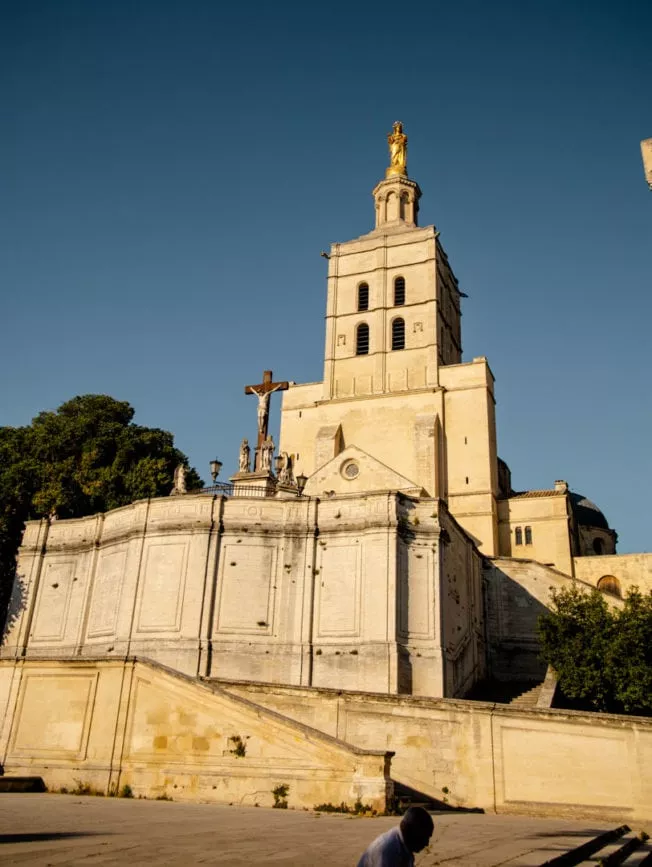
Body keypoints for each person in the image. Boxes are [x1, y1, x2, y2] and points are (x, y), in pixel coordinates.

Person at [356, 806, 434, 867]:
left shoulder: (405, 844)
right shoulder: (388, 851)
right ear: (411, 831)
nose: (426, 843)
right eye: (424, 837)